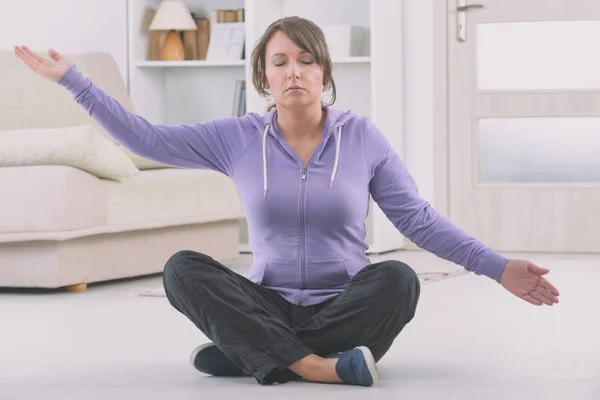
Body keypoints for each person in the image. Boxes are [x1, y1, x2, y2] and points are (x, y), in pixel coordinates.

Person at [15, 16, 560, 388]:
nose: (294, 70)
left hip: (345, 305)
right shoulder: (237, 137)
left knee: (399, 280)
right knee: (182, 269)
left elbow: (417, 219)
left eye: (306, 60)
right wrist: (73, 81)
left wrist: (497, 267)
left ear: (324, 74)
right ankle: (319, 367)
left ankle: (255, 351)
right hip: (268, 299)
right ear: (263, 77)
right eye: (280, 62)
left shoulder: (362, 137)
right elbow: (146, 141)